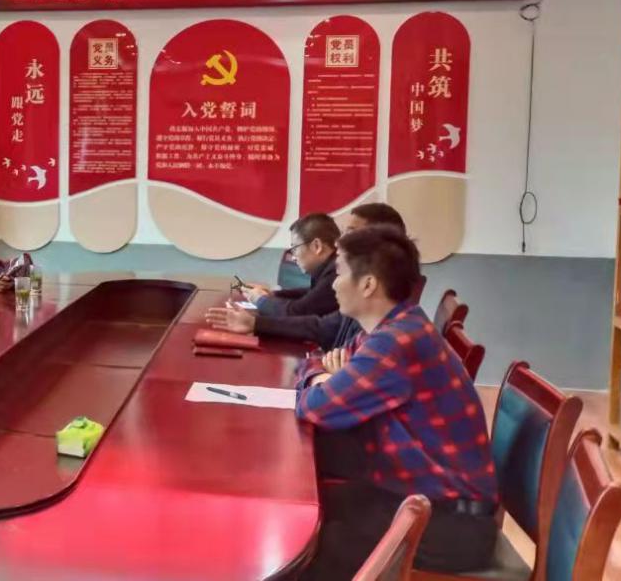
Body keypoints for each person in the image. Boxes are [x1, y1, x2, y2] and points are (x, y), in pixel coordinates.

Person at [295, 226, 497, 579]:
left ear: (368, 284)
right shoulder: (391, 328)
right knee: (307, 506)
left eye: (339, 272)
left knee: (315, 545)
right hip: (420, 498)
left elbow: (315, 407)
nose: (333, 284)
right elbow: (316, 363)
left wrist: (320, 380)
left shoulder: (396, 342)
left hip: (451, 525)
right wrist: (322, 376)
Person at [205, 203, 407, 348]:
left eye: (351, 233)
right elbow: (321, 327)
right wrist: (255, 321)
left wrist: (317, 370)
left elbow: (331, 387)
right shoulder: (368, 312)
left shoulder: (387, 341)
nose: (339, 241)